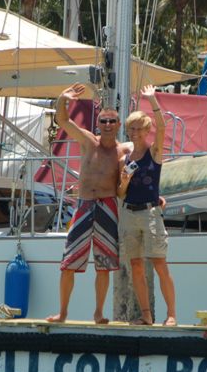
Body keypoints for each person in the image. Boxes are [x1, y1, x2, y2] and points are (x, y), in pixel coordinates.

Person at [47, 83, 130, 324]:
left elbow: (147, 154)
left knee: (104, 265)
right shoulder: (88, 141)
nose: (107, 125)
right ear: (98, 124)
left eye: (112, 121)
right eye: (103, 121)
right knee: (68, 262)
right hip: (84, 205)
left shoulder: (123, 150)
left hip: (108, 206)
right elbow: (63, 121)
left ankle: (98, 313)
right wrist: (62, 98)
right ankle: (63, 313)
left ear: (119, 125)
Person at [117, 84, 177, 326]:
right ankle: (146, 315)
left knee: (160, 264)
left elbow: (162, 127)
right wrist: (124, 181)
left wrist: (152, 100)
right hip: (129, 213)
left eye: (138, 128)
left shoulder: (155, 152)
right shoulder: (125, 159)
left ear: (146, 130)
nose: (133, 132)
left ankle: (171, 314)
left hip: (150, 213)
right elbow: (120, 193)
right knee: (136, 266)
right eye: (130, 128)